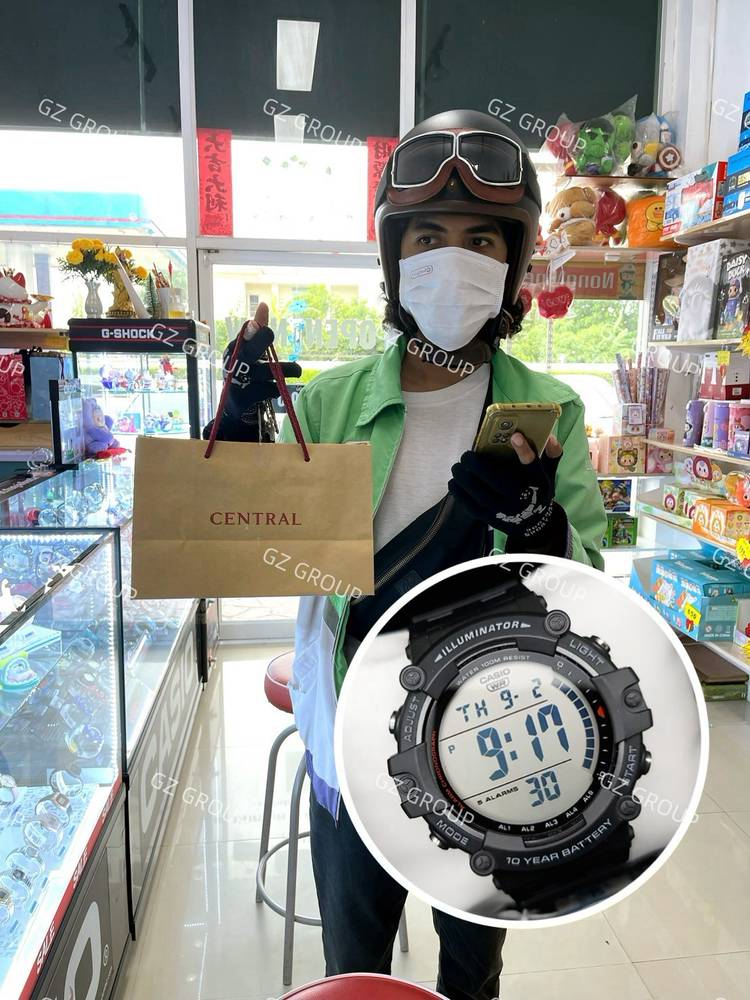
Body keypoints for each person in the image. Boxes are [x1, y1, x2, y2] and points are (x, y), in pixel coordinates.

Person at [209, 110, 608, 1000]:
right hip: (353, 741)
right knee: (355, 963)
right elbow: (247, 546)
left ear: (513, 264)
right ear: (395, 259)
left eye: (481, 239)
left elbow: (590, 587)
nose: (452, 259)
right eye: (428, 237)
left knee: (472, 969)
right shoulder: (333, 404)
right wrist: (235, 429)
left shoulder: (551, 412)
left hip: (493, 748)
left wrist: (539, 525)